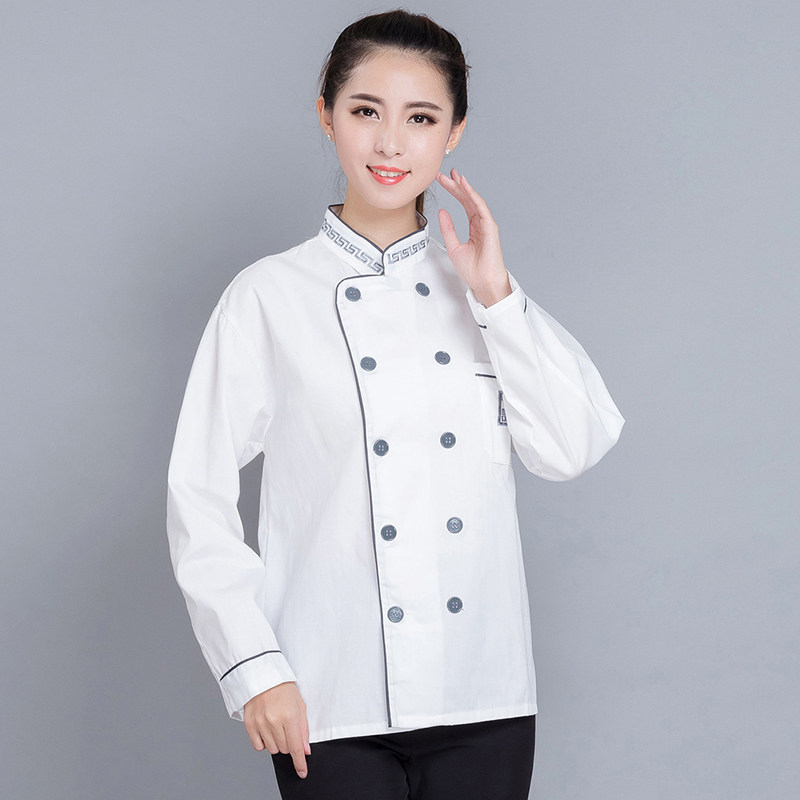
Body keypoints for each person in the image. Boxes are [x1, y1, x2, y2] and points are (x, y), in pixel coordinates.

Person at [166, 9, 625, 799]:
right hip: (327, 693)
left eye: (420, 119)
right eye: (365, 111)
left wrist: (497, 298)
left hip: (483, 696)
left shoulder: (482, 292)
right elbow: (195, 494)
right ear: (327, 115)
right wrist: (254, 667)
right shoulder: (267, 297)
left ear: (453, 134)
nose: (389, 144)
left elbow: (572, 446)